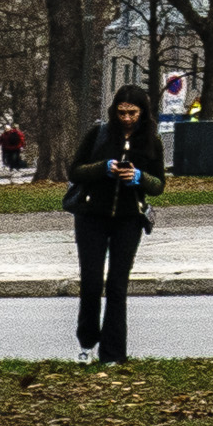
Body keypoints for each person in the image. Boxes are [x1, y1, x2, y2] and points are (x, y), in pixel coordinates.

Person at [63, 85, 162, 362]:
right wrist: (104, 168)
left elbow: (159, 185)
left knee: (118, 286)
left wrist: (139, 177)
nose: (127, 118)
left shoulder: (152, 141)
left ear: (143, 112)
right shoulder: (99, 134)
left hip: (128, 219)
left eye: (132, 112)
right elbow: (75, 170)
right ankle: (87, 342)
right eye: (121, 112)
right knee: (91, 283)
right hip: (91, 216)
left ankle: (113, 353)